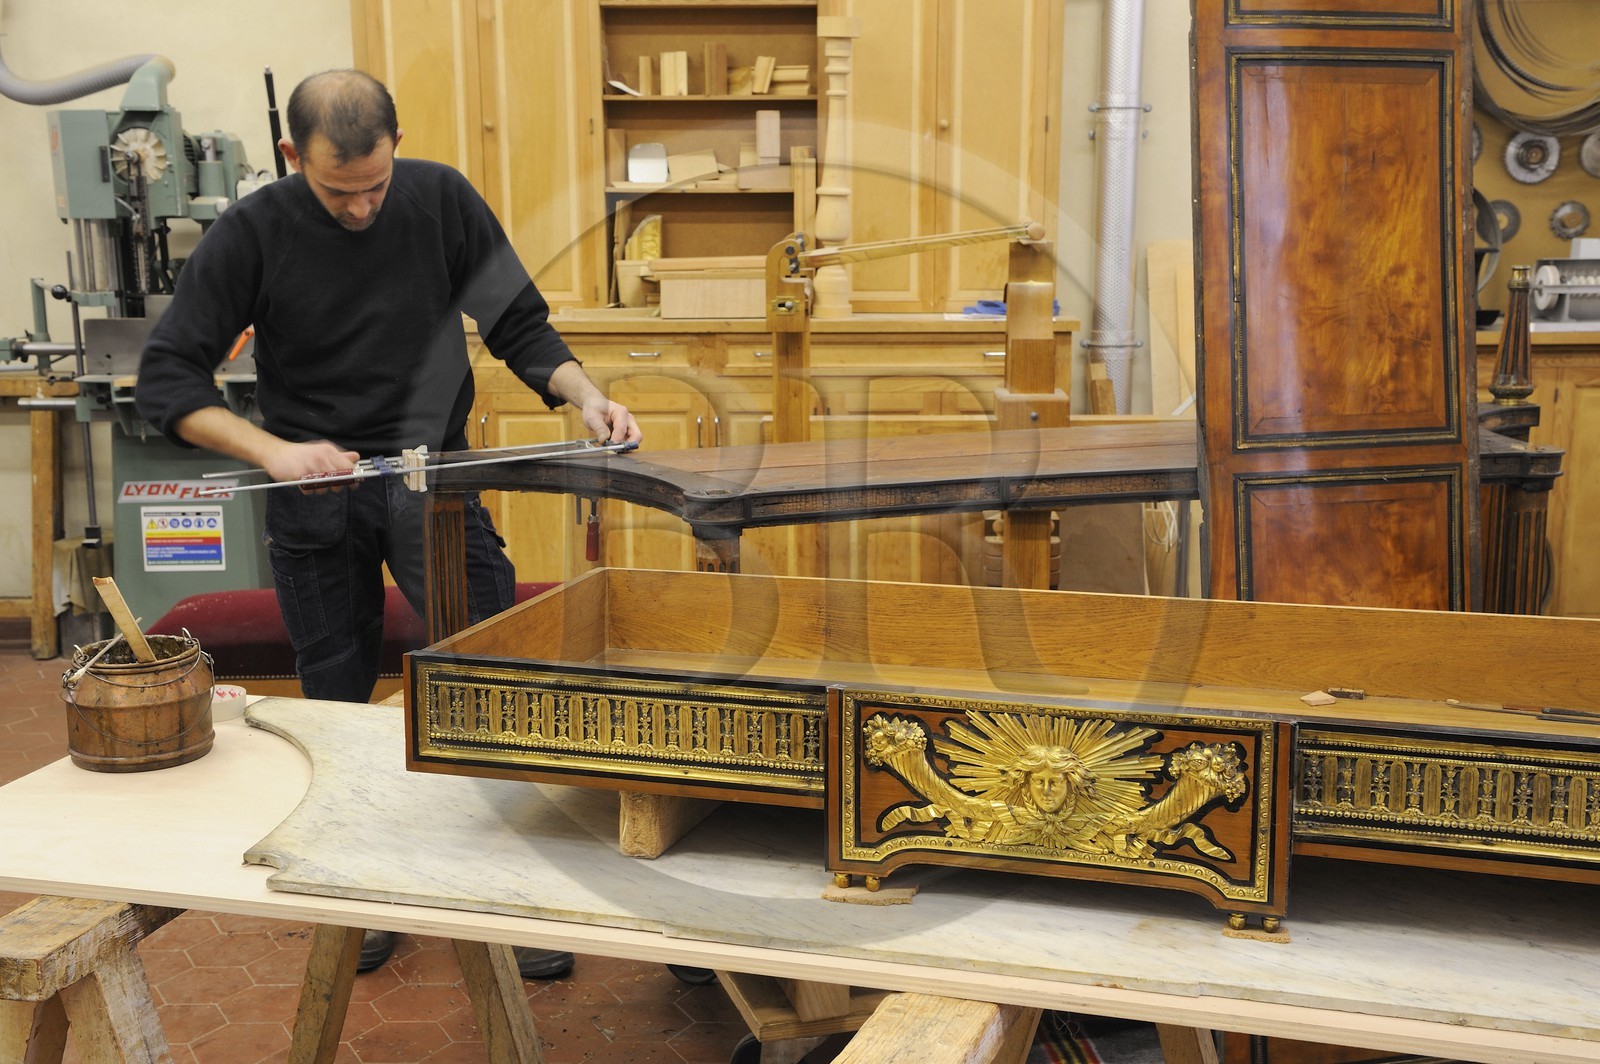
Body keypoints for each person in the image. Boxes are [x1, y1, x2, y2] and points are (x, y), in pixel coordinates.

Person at [135, 68, 640, 980]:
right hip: (312, 492)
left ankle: (518, 897)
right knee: (333, 701)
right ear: (293, 158)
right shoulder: (252, 232)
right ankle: (358, 887)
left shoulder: (440, 197)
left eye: (375, 184)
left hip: (431, 484)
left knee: (489, 684)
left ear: (396, 147)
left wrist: (586, 396)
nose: (363, 207)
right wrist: (272, 452)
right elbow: (168, 382)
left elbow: (519, 323)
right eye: (339, 190)